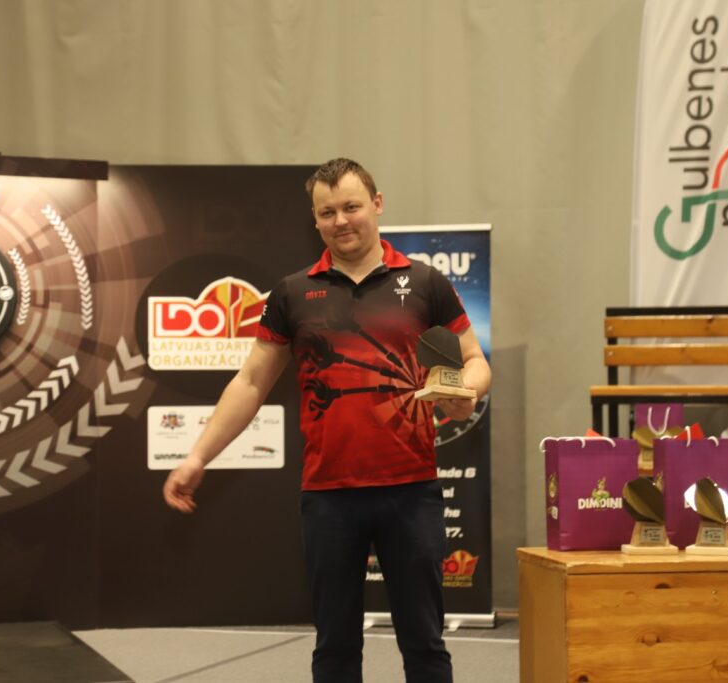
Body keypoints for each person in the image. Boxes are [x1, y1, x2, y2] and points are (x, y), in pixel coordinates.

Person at [163, 157, 491, 683]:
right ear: (315, 219)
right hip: (329, 496)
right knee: (335, 647)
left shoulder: (425, 282)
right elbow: (250, 383)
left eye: (351, 207)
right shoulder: (292, 293)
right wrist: (197, 456)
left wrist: (464, 392)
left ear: (377, 205)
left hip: (412, 491)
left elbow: (474, 360)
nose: (341, 221)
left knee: (425, 645)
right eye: (327, 212)